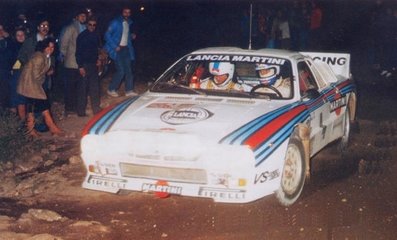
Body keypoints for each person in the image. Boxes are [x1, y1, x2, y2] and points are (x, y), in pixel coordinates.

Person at [17, 37, 62, 137]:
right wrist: (46, 73)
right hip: (30, 85)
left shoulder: (46, 57)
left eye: (52, 47)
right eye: (48, 47)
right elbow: (36, 75)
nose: (50, 49)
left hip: (32, 85)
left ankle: (32, 130)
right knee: (43, 106)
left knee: (34, 108)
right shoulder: (39, 57)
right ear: (43, 47)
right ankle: (50, 127)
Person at [105, 6, 137, 97]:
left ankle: (129, 90)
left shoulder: (128, 23)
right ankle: (111, 89)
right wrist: (115, 47)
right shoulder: (115, 22)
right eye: (125, 12)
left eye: (128, 12)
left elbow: (123, 35)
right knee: (121, 71)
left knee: (129, 71)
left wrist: (131, 36)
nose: (127, 14)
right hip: (117, 49)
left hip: (126, 49)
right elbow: (107, 35)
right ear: (121, 12)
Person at [60, 8, 87, 116]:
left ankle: (77, 108)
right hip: (71, 62)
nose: (83, 18)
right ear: (76, 17)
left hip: (82, 62)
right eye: (81, 16)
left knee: (80, 87)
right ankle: (69, 108)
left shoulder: (85, 28)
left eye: (85, 16)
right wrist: (63, 56)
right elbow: (63, 43)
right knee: (70, 86)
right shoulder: (71, 28)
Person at [75, 17, 101, 116]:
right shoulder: (81, 36)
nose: (92, 27)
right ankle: (81, 112)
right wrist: (80, 66)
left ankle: (96, 110)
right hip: (84, 65)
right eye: (90, 24)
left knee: (95, 88)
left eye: (94, 25)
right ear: (86, 25)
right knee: (83, 89)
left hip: (93, 65)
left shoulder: (96, 35)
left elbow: (96, 49)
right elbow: (78, 53)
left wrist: (98, 59)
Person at [9, 28, 27, 119]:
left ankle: (23, 121)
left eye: (22, 35)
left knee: (22, 98)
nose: (20, 37)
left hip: (25, 74)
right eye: (18, 35)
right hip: (15, 73)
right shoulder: (12, 46)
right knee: (14, 96)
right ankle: (13, 121)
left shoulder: (28, 46)